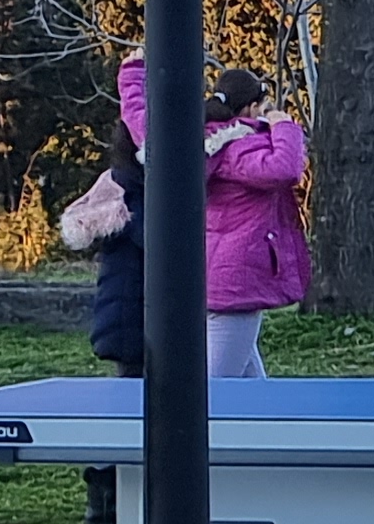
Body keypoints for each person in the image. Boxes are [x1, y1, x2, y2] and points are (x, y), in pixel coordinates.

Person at [115, 53, 311, 379]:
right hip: (236, 281)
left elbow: (141, 123)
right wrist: (284, 125)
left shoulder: (189, 139)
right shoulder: (240, 147)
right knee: (216, 388)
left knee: (248, 381)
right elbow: (285, 169)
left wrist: (132, 73)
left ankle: (260, 413)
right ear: (251, 108)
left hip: (204, 271)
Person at [58, 136, 145, 524]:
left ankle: (107, 492)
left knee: (129, 403)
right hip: (135, 316)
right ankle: (106, 492)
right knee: (131, 405)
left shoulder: (120, 185)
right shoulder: (136, 193)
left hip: (127, 314)